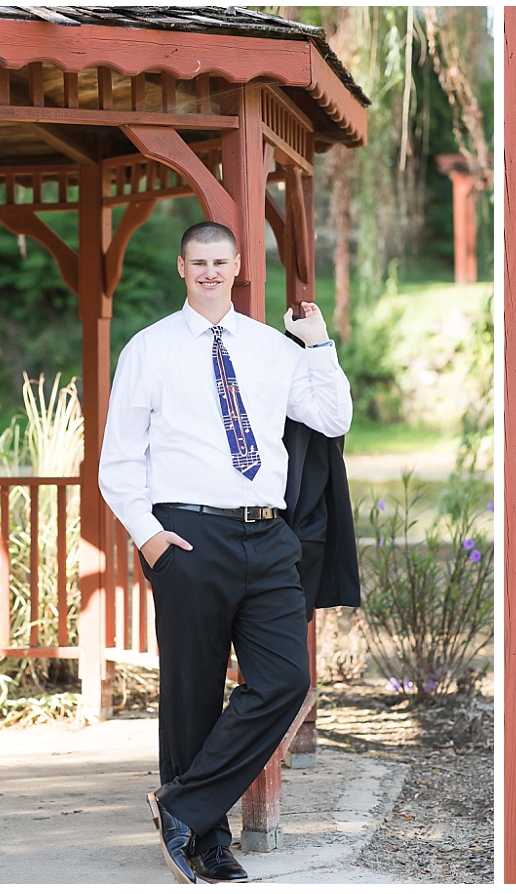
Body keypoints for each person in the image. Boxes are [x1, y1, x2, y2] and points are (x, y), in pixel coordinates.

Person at [98, 221, 351, 884]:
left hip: (267, 536)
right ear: (183, 267)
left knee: (284, 680)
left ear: (238, 266)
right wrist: (151, 540)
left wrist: (318, 343)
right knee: (192, 691)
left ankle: (180, 805)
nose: (210, 272)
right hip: (187, 535)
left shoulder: (272, 350)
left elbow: (332, 415)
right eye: (198, 262)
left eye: (220, 262)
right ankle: (205, 840)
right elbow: (117, 462)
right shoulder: (148, 351)